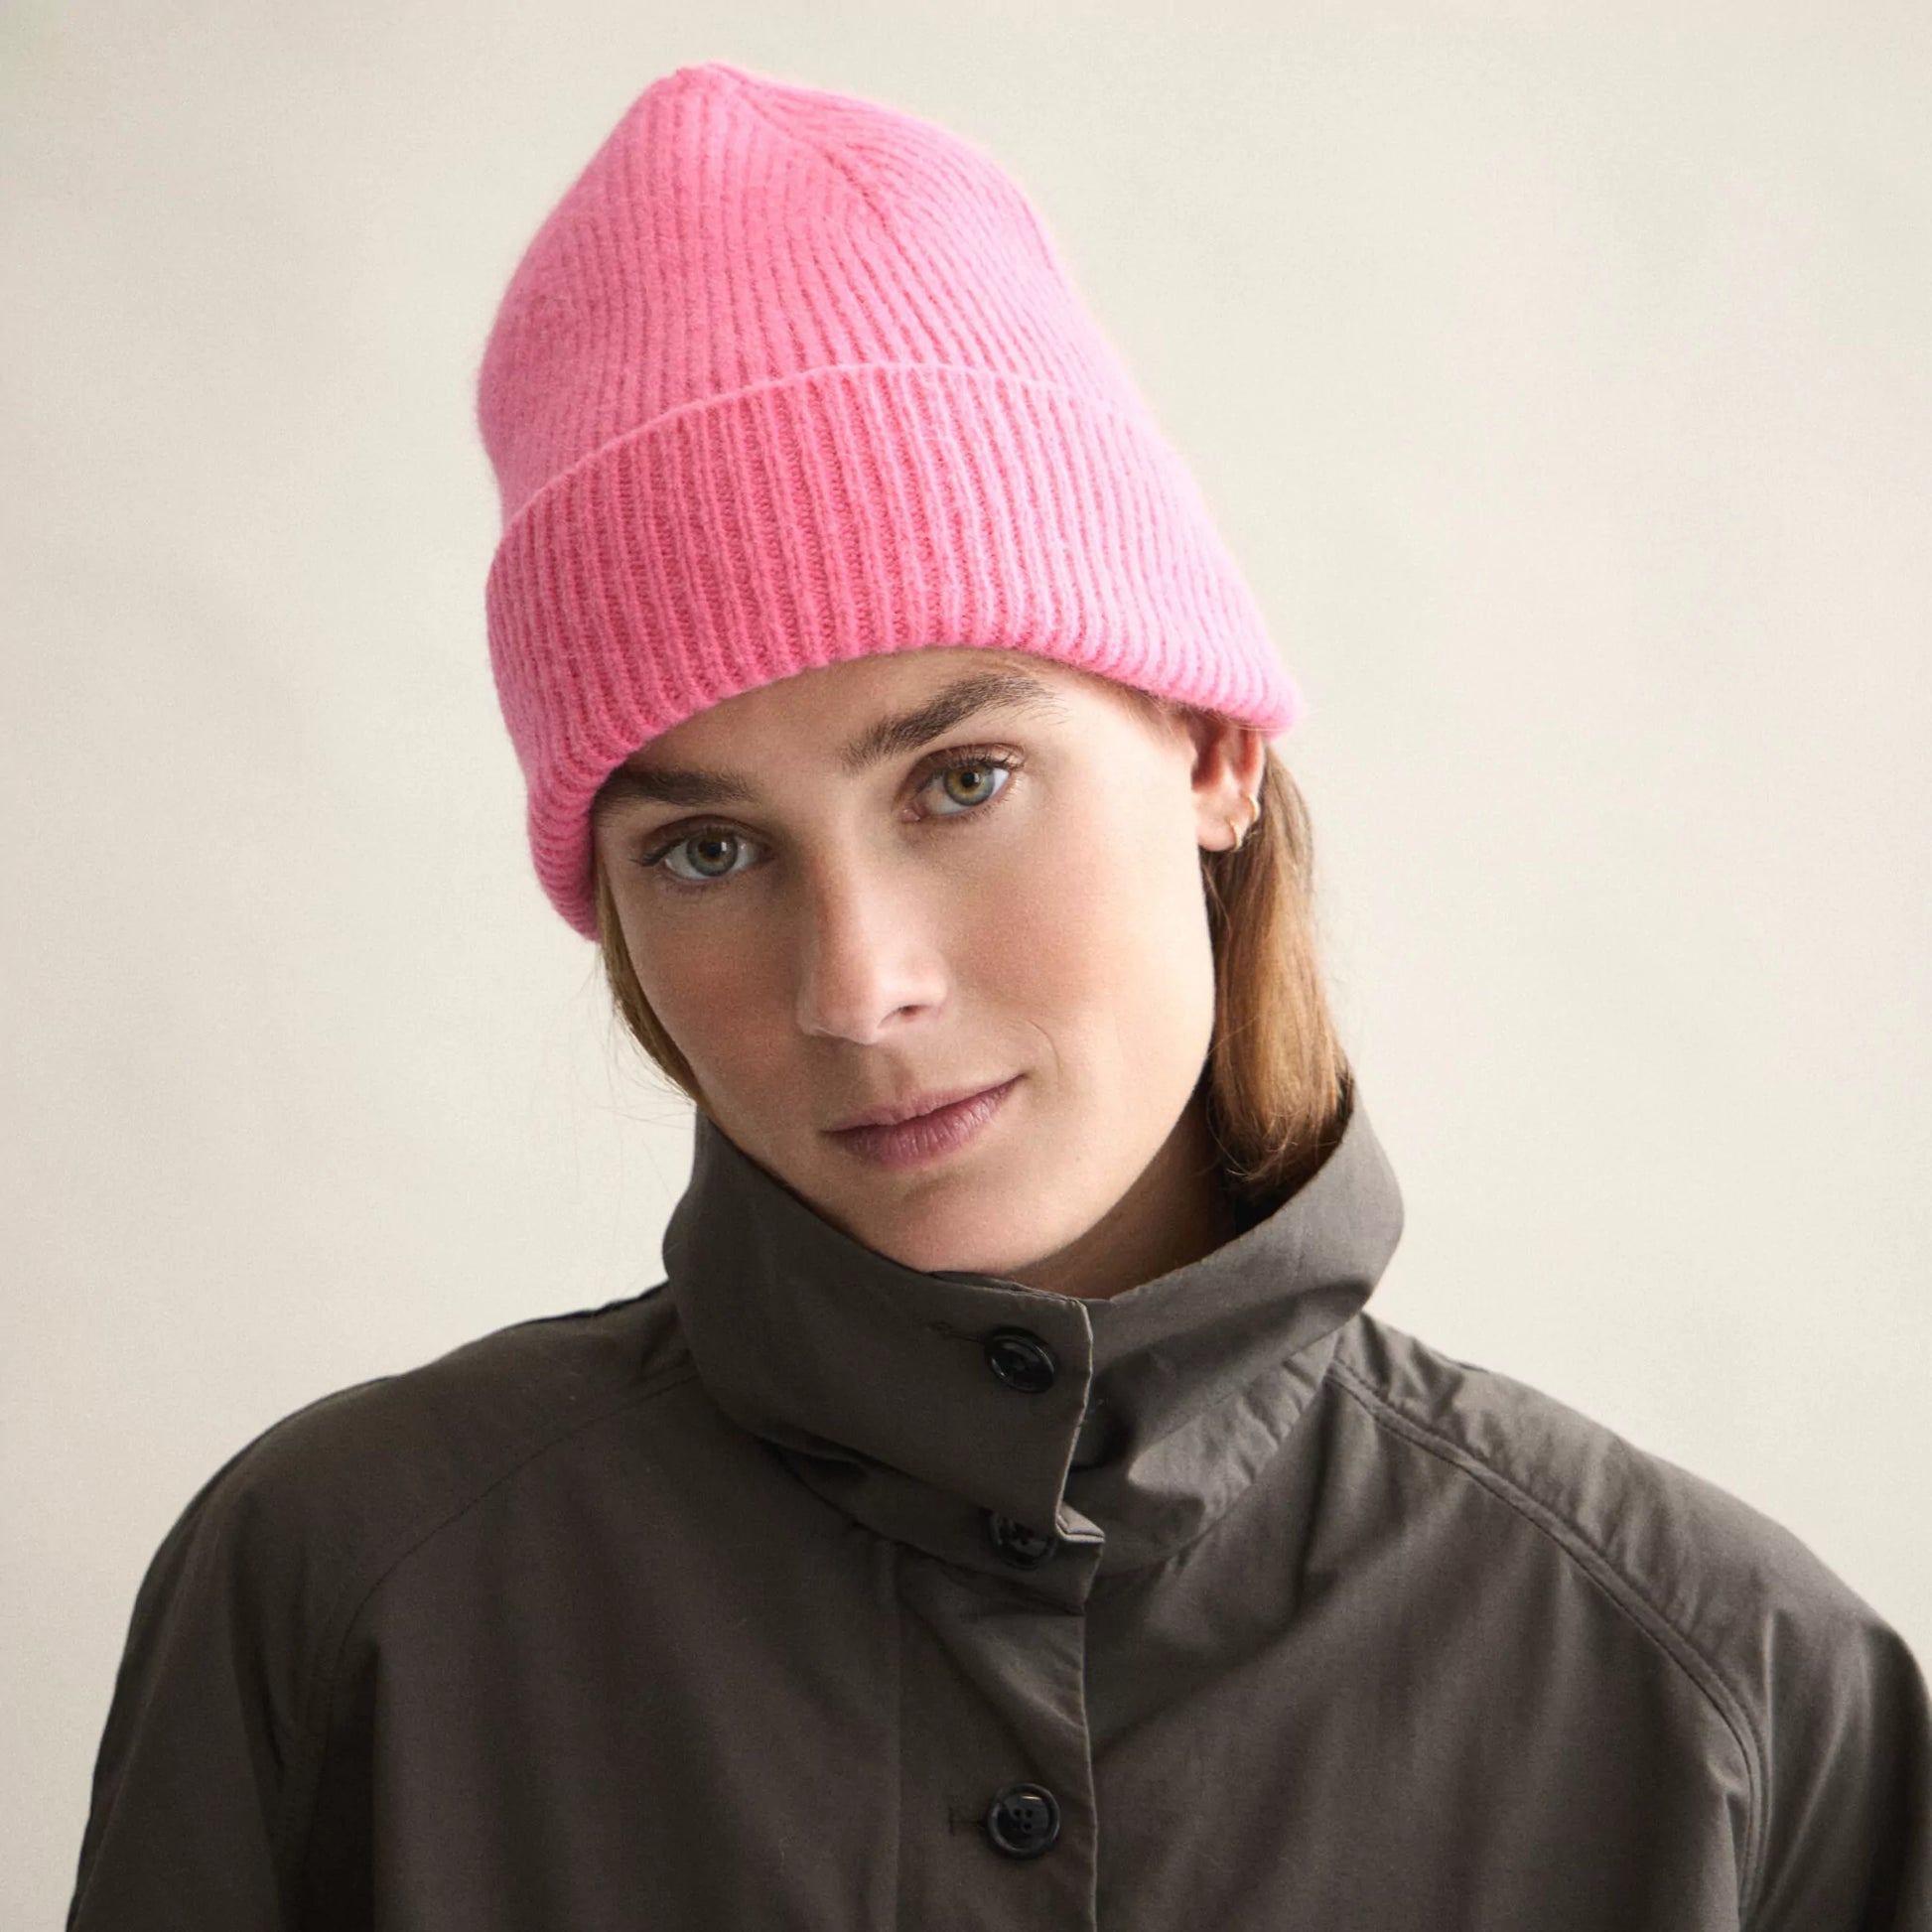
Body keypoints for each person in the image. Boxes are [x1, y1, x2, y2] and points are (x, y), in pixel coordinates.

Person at [67, 58, 1929, 1931]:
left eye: (960, 780)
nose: (856, 987)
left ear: (1209, 746)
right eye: (706, 849)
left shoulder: (1733, 1697)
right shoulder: (345, 1598)